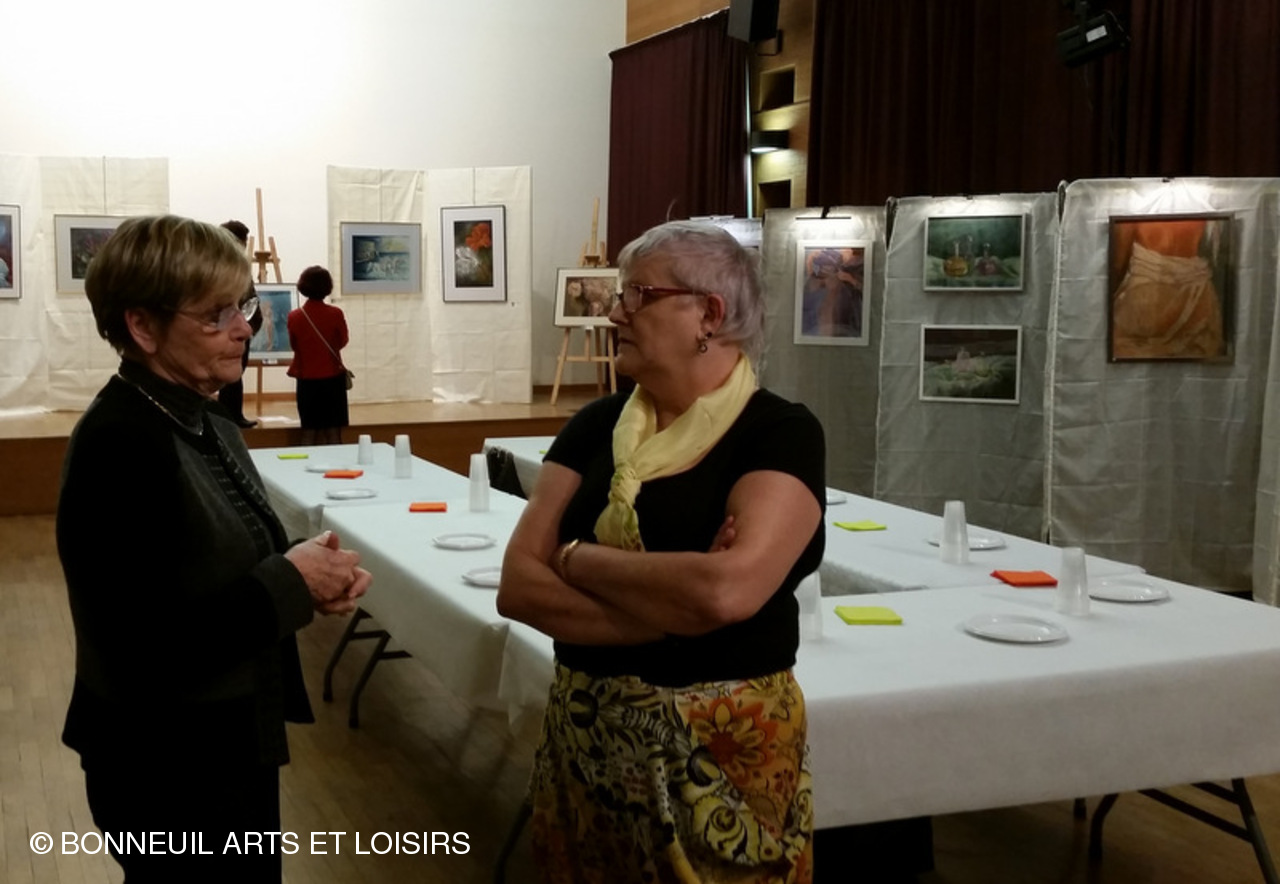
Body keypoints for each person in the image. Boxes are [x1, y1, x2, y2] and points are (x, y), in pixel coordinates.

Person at [498, 220, 825, 884]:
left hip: (722, 751)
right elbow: (518, 588)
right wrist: (683, 609)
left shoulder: (779, 433)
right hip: (586, 741)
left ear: (709, 314)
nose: (614, 311)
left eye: (637, 294)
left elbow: (724, 591)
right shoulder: (595, 426)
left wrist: (576, 559)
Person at [57, 214, 372, 882]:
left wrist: (308, 569)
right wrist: (292, 581)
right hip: (166, 765)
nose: (245, 329)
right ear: (142, 327)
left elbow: (215, 557)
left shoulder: (202, 417)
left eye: (244, 307)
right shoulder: (120, 443)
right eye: (215, 315)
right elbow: (142, 648)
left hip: (224, 743)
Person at [286, 265, 349, 445]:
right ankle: (338, 463)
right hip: (332, 378)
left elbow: (294, 345)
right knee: (333, 433)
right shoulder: (336, 313)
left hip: (306, 379)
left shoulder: (294, 316)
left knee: (308, 431)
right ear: (327, 287)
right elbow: (343, 341)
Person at [215, 219, 263, 428]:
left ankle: (232, 414)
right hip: (231, 325)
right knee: (231, 373)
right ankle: (229, 416)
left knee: (236, 372)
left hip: (241, 324)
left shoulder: (232, 264)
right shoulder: (225, 265)